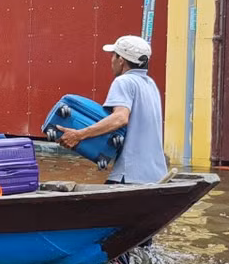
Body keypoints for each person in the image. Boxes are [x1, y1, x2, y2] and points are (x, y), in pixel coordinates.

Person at [57, 35, 168, 184]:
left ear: (121, 60)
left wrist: (79, 135)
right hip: (156, 175)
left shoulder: (123, 81)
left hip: (130, 174)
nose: (111, 61)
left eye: (113, 56)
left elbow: (120, 118)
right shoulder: (150, 84)